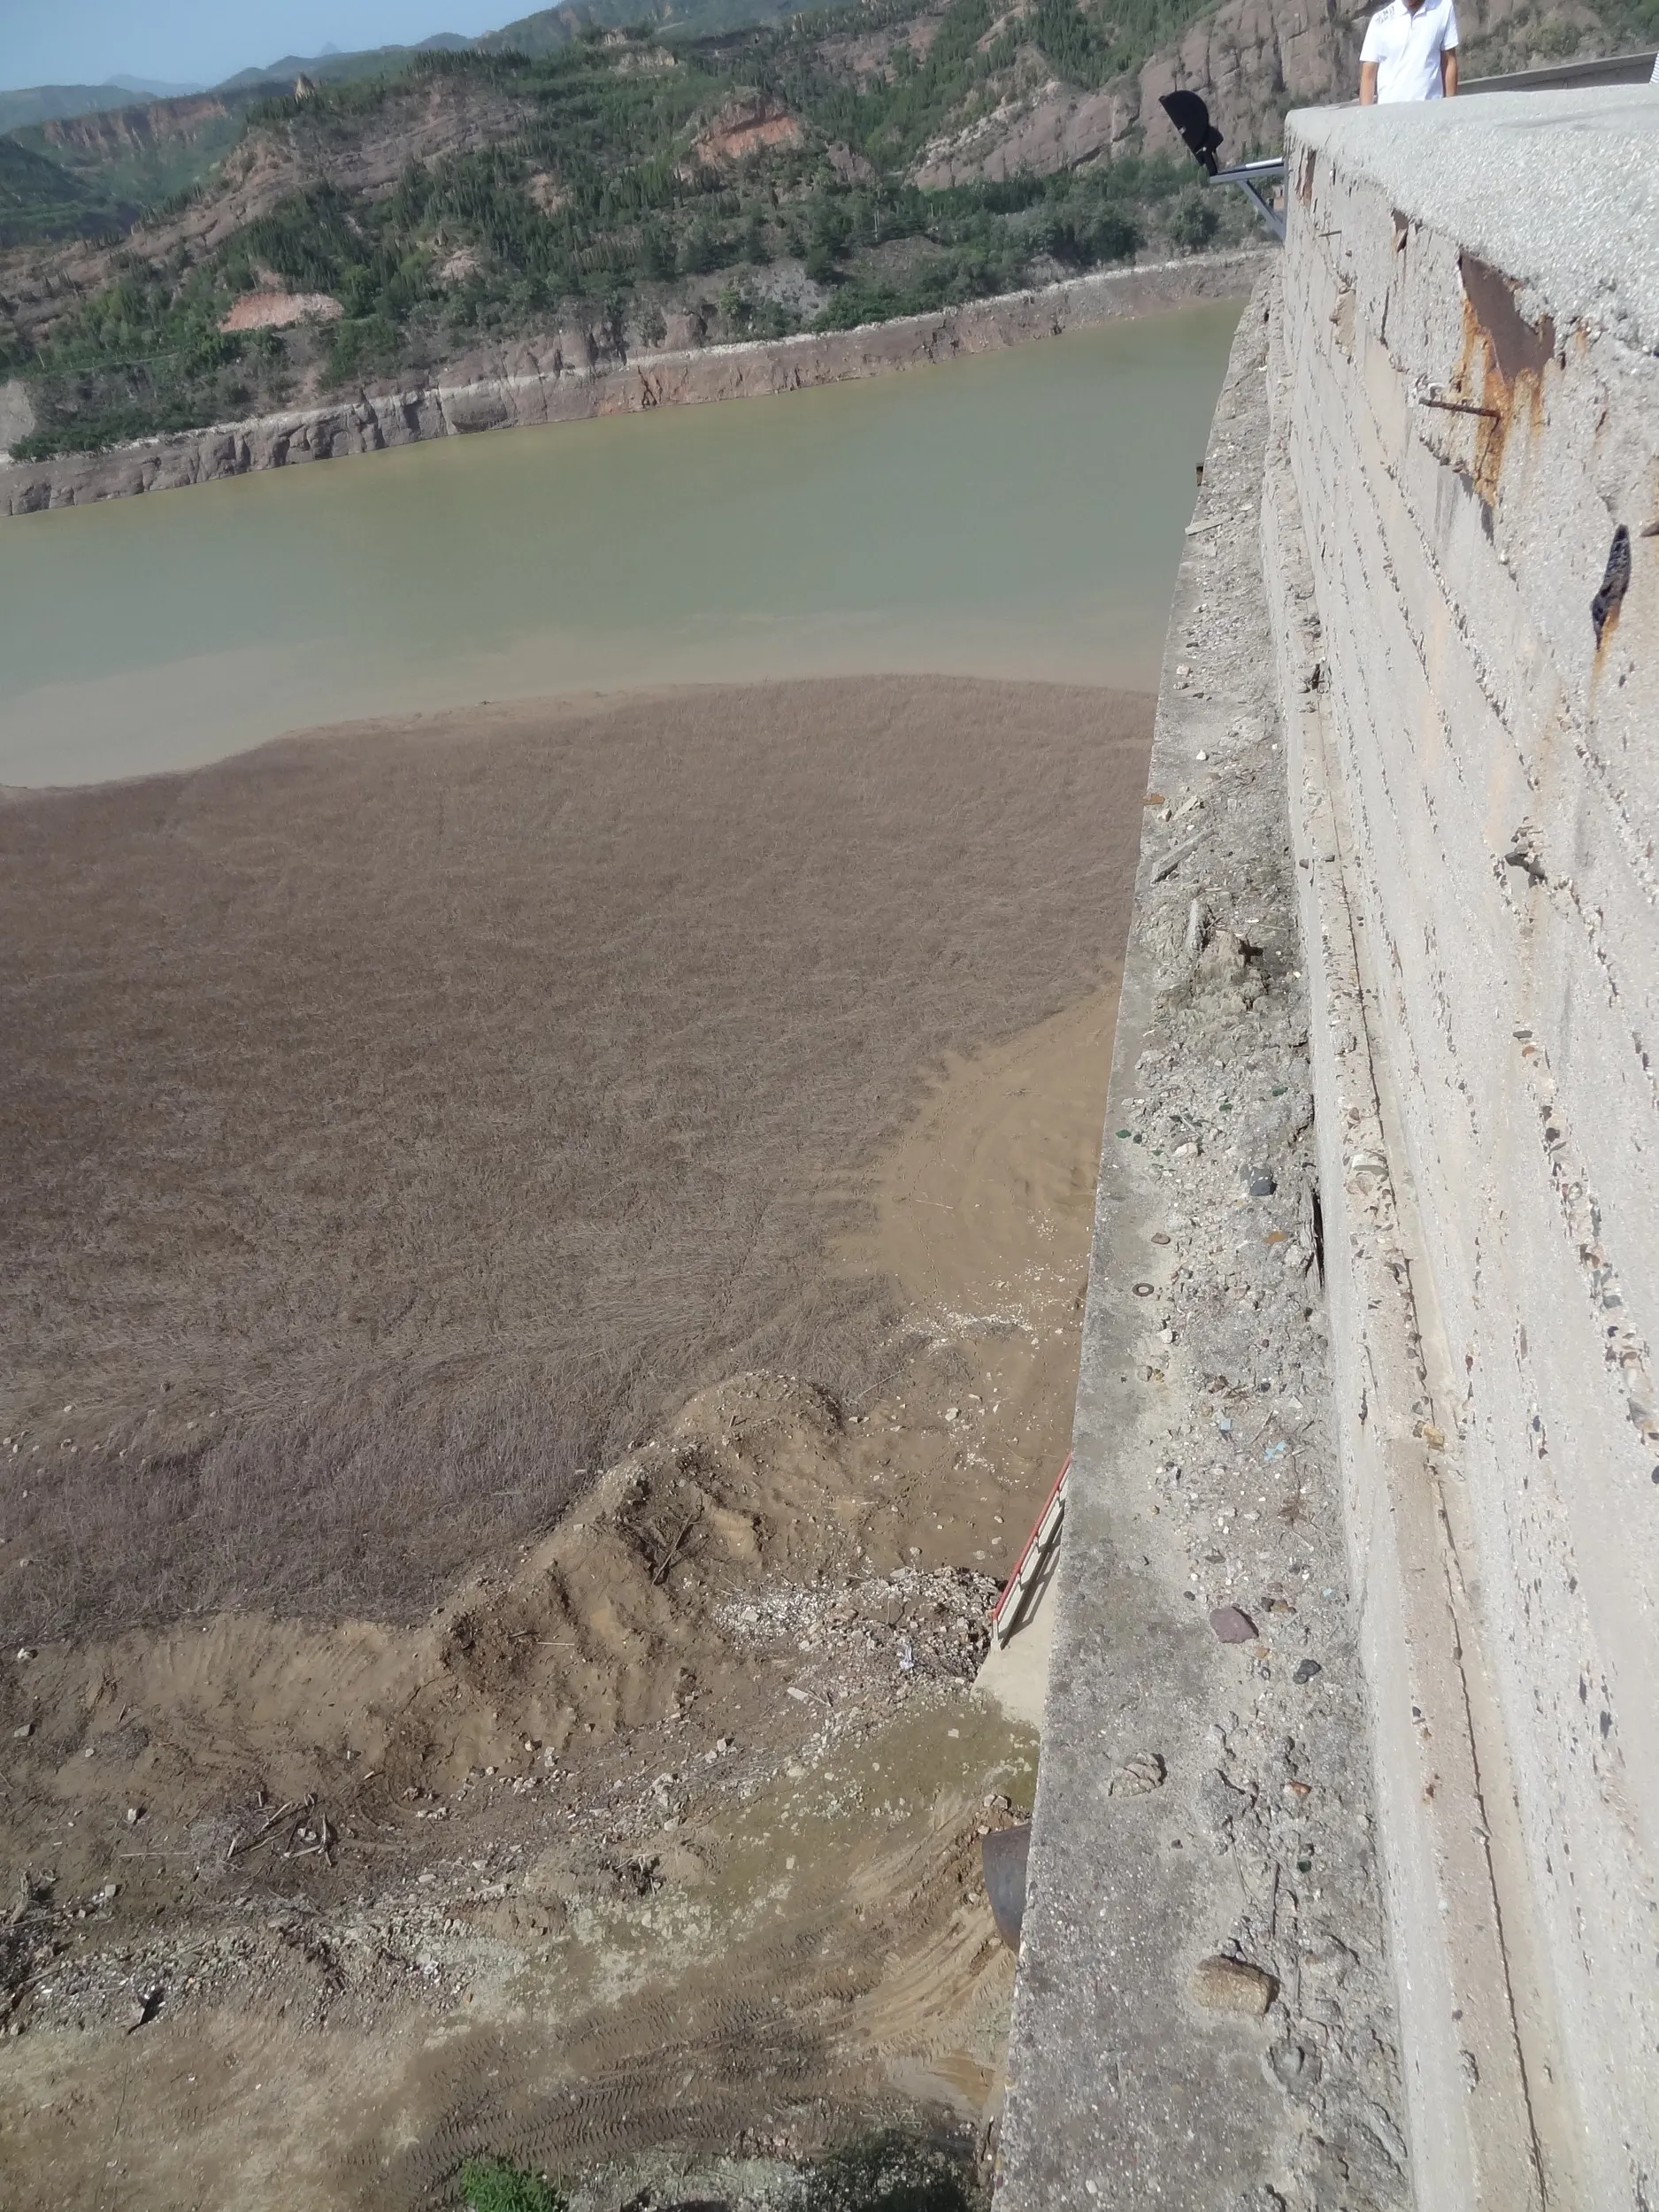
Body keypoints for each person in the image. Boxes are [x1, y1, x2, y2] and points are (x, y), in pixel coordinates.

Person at [1358, 0, 1460, 103]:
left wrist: (1450, 106)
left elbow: (1449, 61)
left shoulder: (1444, 8)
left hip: (1431, 109)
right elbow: (1368, 76)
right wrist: (1365, 116)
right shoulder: (1379, 20)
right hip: (1389, 112)